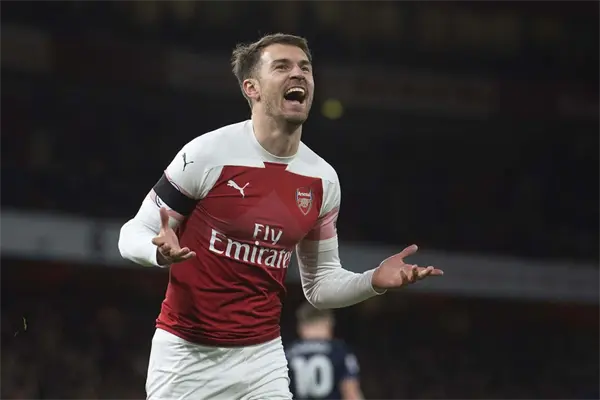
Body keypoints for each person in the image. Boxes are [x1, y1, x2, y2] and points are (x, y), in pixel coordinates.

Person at [118, 33, 443, 400]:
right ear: (252, 88)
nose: (298, 74)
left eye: (305, 67)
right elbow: (132, 232)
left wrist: (373, 281)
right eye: (282, 66)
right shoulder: (207, 154)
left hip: (263, 359)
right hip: (186, 355)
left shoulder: (322, 179)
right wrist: (156, 251)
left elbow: (319, 285)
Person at [286, 302, 364, 400]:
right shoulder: (339, 350)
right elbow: (351, 393)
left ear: (301, 327)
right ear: (328, 324)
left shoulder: (287, 353)